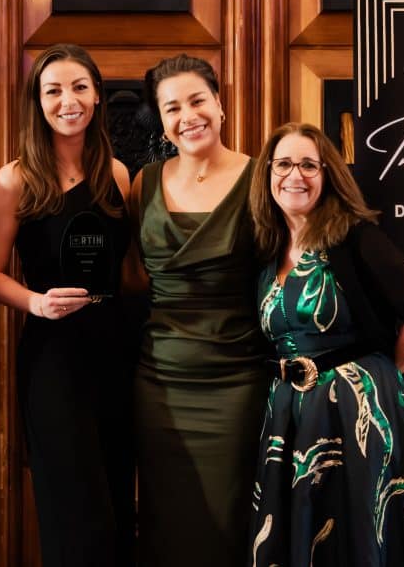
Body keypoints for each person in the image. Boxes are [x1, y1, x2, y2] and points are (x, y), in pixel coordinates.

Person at [246, 122, 404, 567]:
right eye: (283, 164)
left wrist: (379, 376)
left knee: (355, 537)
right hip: (289, 413)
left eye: (308, 165)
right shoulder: (268, 246)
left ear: (327, 175)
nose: (295, 175)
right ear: (267, 174)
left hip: (353, 412)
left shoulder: (354, 237)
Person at [0, 43, 136, 566]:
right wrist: (35, 302)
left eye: (79, 87)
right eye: (53, 91)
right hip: (53, 359)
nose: (68, 101)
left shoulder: (117, 173)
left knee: (117, 498)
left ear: (97, 95)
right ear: (37, 101)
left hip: (116, 355)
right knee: (75, 511)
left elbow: (129, 270)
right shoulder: (15, 179)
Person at [131, 54, 268, 567]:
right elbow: (132, 276)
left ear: (220, 104)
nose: (187, 116)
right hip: (160, 382)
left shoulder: (262, 179)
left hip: (238, 380)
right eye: (172, 108)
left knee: (229, 520)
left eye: (197, 101)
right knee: (164, 521)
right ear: (162, 121)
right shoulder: (142, 183)